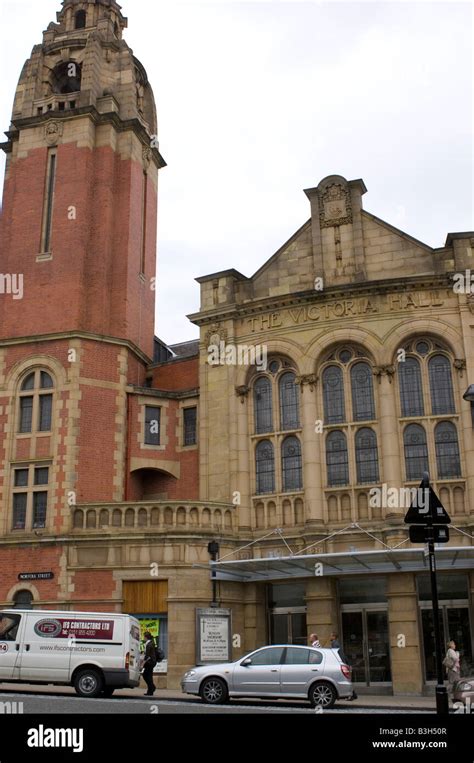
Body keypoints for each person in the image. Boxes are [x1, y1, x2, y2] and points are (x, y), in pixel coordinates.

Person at [142, 631, 157, 696]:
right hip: (152, 662)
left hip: (150, 662)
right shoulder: (151, 643)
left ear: (146, 637)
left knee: (145, 675)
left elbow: (147, 655)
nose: (143, 638)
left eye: (144, 637)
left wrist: (143, 663)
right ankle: (151, 689)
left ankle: (151, 688)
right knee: (148, 676)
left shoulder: (149, 644)